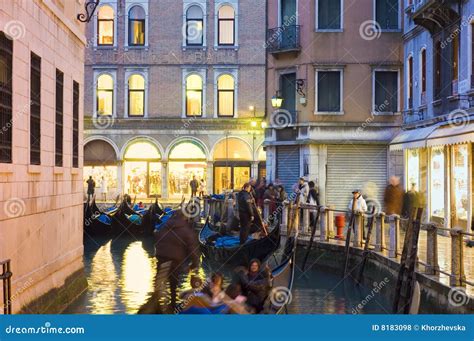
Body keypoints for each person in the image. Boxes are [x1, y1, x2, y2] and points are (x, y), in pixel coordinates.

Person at [153, 208, 200, 310]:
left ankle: (157, 306)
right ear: (184, 217)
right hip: (175, 262)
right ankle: (173, 306)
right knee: (173, 288)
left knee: (158, 288)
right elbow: (193, 250)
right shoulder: (186, 230)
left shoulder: (164, 227)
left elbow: (156, 240)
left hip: (161, 260)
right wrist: (195, 265)